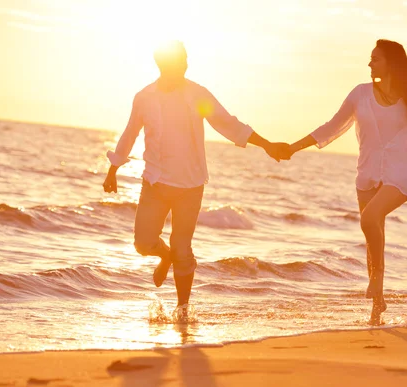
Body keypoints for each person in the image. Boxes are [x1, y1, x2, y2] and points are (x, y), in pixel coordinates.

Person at [284, 39, 407, 325]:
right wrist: (293, 147)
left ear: (390, 63)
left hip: (401, 171)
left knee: (368, 218)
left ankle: (375, 281)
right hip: (367, 172)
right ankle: (377, 309)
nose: (370, 63)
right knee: (374, 239)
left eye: (376, 58)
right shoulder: (360, 94)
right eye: (370, 58)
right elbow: (331, 127)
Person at [102, 40, 289, 312]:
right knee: (143, 244)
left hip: (190, 185)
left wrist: (267, 144)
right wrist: (113, 169)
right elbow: (130, 133)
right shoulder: (144, 97)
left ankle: (183, 309)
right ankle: (165, 257)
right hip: (154, 182)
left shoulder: (197, 94)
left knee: (182, 246)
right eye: (182, 60)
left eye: (187, 60)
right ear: (163, 63)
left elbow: (227, 123)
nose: (187, 65)